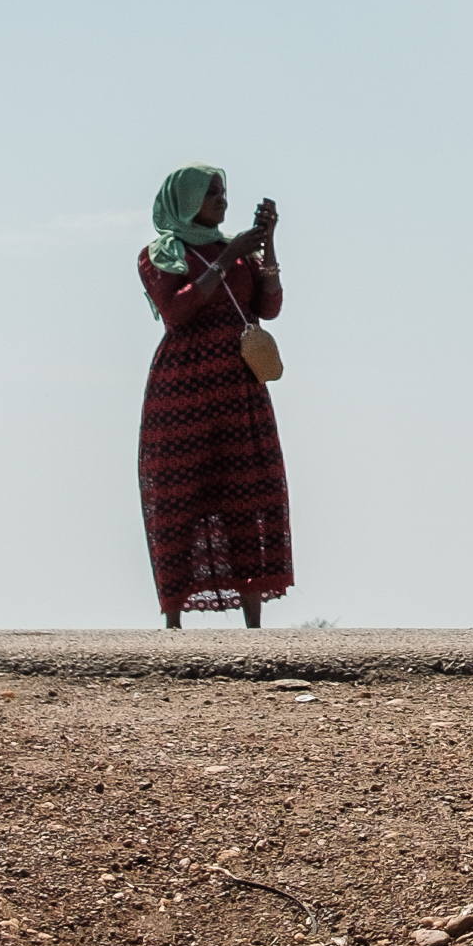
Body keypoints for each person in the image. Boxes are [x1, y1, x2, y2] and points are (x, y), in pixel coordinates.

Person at [139, 166, 292, 628]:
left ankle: (253, 621)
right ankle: (172, 620)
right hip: (182, 392)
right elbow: (177, 309)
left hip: (239, 389)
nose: (221, 201)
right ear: (185, 201)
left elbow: (269, 308)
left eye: (223, 192)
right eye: (210, 194)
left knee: (245, 492)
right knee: (178, 496)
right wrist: (227, 262)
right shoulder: (160, 253)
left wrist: (266, 247)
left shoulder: (237, 251)